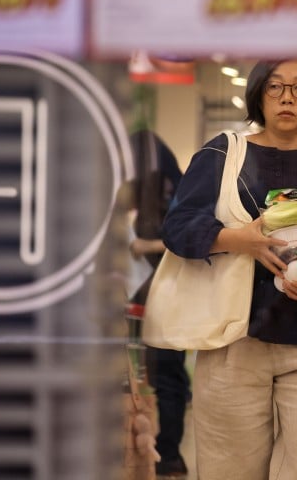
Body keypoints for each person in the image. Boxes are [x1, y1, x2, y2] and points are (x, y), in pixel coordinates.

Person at [160, 58, 297, 480]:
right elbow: (177, 227)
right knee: (231, 468)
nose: (286, 97)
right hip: (232, 338)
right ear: (259, 94)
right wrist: (236, 239)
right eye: (275, 86)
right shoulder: (223, 155)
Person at [127, 129, 190, 479]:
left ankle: (164, 453)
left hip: (158, 297)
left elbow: (188, 239)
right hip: (162, 298)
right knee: (167, 376)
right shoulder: (175, 190)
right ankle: (166, 454)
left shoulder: (160, 197)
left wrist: (145, 246)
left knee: (163, 376)